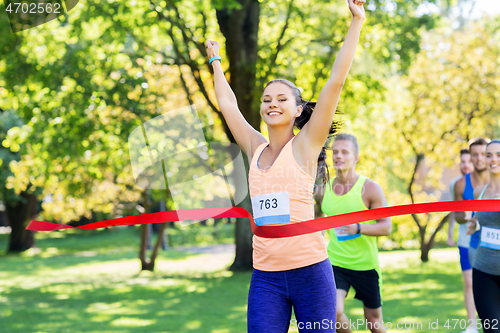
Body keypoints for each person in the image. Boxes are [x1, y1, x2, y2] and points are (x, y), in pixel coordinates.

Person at [205, 0, 365, 331]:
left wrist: (357, 21)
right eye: (266, 99)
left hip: (311, 271)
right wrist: (216, 61)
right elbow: (227, 105)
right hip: (266, 277)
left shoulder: (306, 145)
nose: (272, 104)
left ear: (297, 110)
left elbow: (335, 82)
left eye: (281, 99)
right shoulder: (254, 146)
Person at [315, 133, 392, 333]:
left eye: (345, 152)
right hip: (336, 262)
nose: (338, 156)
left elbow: (386, 227)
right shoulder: (323, 190)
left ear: (356, 157)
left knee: (374, 323)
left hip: (366, 265)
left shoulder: (370, 188)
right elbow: (315, 222)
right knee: (334, 310)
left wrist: (359, 228)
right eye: (336, 152)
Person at [466, 139, 500, 333]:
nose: (493, 159)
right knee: (492, 330)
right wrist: (474, 224)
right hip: (484, 271)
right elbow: (481, 220)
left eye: (499, 155)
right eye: (489, 155)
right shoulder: (480, 192)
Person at [448, 149, 476, 333]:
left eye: (469, 160)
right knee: (469, 282)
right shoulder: (455, 184)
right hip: (465, 239)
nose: (465, 164)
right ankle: (472, 325)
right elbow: (453, 211)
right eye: (462, 161)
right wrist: (450, 233)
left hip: (487, 240)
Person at [455, 138, 490, 267]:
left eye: (484, 154)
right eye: (475, 154)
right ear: (470, 156)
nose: (479, 159)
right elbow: (457, 216)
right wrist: (465, 215)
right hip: (474, 245)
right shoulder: (460, 184)